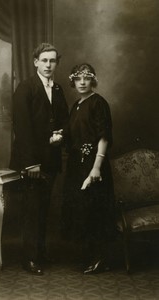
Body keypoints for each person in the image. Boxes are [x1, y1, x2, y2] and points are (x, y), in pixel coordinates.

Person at [10, 43, 69, 275]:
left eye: (52, 61)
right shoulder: (25, 88)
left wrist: (61, 135)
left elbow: (64, 119)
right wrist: (30, 164)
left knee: (44, 207)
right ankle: (30, 258)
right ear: (35, 62)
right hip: (31, 161)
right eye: (44, 60)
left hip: (51, 159)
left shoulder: (58, 89)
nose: (48, 65)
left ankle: (40, 252)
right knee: (32, 209)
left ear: (57, 64)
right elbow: (22, 129)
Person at [61, 63, 116, 274]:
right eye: (78, 79)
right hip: (77, 164)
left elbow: (103, 137)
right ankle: (89, 254)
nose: (82, 82)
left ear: (92, 80)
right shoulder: (76, 104)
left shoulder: (98, 103)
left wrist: (96, 168)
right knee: (82, 208)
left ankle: (100, 258)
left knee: (95, 209)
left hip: (94, 164)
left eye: (86, 78)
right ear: (73, 81)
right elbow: (73, 133)